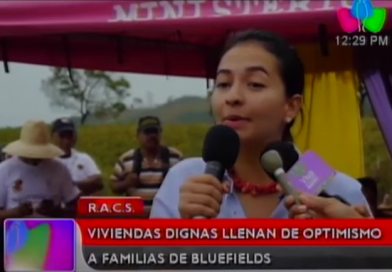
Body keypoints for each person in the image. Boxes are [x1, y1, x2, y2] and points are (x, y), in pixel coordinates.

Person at [150, 29, 370, 219]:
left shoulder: (336, 190)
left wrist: (358, 249)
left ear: (291, 106)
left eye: (255, 84)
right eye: (224, 84)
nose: (232, 97)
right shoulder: (185, 180)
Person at [0, 120, 80, 219]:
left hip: (53, 230)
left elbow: (76, 207)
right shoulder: (5, 170)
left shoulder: (59, 169)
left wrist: (56, 211)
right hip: (17, 231)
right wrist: (16, 212)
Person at [110, 116, 183, 217]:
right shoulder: (126, 159)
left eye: (155, 132)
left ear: (160, 134)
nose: (152, 136)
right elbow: (113, 186)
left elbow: (186, 186)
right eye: (147, 132)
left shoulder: (176, 157)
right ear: (138, 135)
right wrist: (126, 183)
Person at [51, 118, 103, 196]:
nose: (66, 141)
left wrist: (73, 184)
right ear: (53, 136)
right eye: (62, 136)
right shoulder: (48, 160)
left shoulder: (83, 158)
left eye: (69, 136)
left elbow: (97, 179)